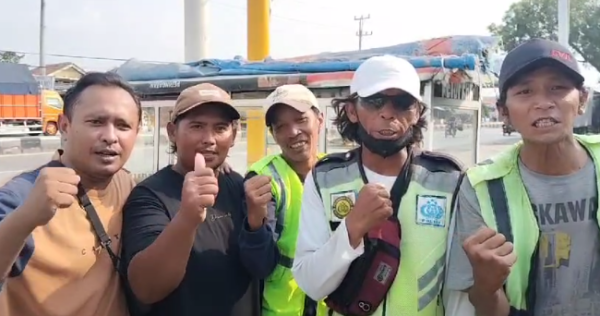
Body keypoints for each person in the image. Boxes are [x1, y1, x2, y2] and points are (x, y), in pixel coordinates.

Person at [291, 55, 463, 316]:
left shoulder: (448, 180)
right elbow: (310, 284)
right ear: (352, 110)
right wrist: (351, 229)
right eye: (375, 101)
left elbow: (457, 291)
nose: (387, 113)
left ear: (417, 112)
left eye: (402, 102)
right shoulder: (325, 178)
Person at [444, 38, 599, 316]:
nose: (543, 103)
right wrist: (486, 285)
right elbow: (488, 308)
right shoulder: (482, 187)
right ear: (503, 111)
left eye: (558, 88)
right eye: (525, 91)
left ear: (582, 100)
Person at [0, 72, 141, 316]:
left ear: (136, 133)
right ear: (65, 126)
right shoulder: (23, 196)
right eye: (96, 122)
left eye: (123, 125)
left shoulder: (125, 183)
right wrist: (25, 218)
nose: (110, 136)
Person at [121, 83, 261, 316]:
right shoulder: (150, 195)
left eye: (220, 128)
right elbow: (146, 288)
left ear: (234, 135)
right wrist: (187, 218)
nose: (209, 139)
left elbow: (259, 265)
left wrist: (258, 221)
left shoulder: (237, 184)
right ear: (172, 132)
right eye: (197, 126)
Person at [240, 84, 328, 316]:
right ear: (273, 134)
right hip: (282, 308)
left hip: (333, 305)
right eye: (281, 126)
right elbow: (259, 264)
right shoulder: (263, 178)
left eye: (301, 120)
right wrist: (254, 222)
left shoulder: (338, 172)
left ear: (320, 119)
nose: (293, 132)